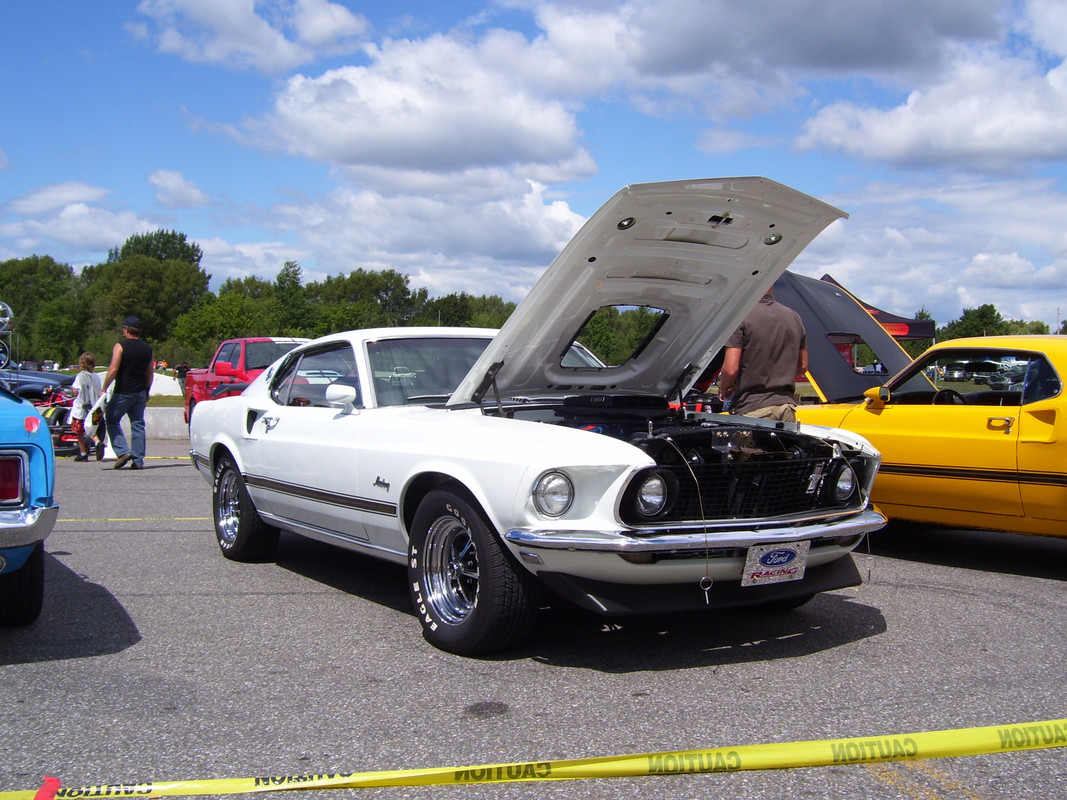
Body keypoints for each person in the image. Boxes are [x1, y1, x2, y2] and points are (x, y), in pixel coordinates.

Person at [717, 287, 807, 422]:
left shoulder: (740, 316)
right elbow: (803, 365)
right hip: (786, 408)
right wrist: (777, 376)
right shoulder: (793, 316)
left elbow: (730, 370)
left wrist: (724, 388)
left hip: (752, 409)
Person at [101, 316, 154, 470]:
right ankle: (138, 460)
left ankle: (122, 451)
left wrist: (104, 387)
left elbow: (114, 368)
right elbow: (150, 372)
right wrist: (147, 390)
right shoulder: (148, 349)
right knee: (138, 424)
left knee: (111, 418)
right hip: (140, 392)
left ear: (126, 329)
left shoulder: (120, 346)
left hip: (123, 391)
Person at [70, 352, 104, 462]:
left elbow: (76, 391)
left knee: (79, 431)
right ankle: (97, 442)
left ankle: (83, 453)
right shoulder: (96, 377)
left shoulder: (80, 377)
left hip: (81, 407)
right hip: (94, 407)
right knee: (90, 428)